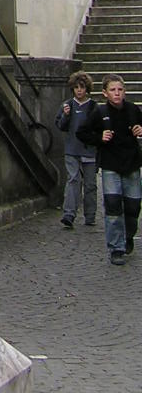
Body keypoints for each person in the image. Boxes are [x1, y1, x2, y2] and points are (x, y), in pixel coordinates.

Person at [76, 73, 142, 265]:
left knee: (133, 207)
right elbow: (82, 132)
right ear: (105, 93)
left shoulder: (133, 110)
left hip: (131, 164)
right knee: (113, 206)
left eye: (120, 89)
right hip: (110, 164)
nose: (117, 93)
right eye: (113, 90)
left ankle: (128, 236)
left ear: (125, 92)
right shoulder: (100, 111)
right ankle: (116, 248)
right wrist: (99, 138)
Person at [55, 71, 97, 228]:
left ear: (87, 89)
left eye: (82, 87)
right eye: (76, 87)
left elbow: (98, 127)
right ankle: (69, 214)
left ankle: (90, 215)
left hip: (89, 150)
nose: (79, 90)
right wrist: (66, 116)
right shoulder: (68, 105)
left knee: (90, 184)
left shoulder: (93, 106)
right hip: (72, 149)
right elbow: (60, 125)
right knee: (73, 180)